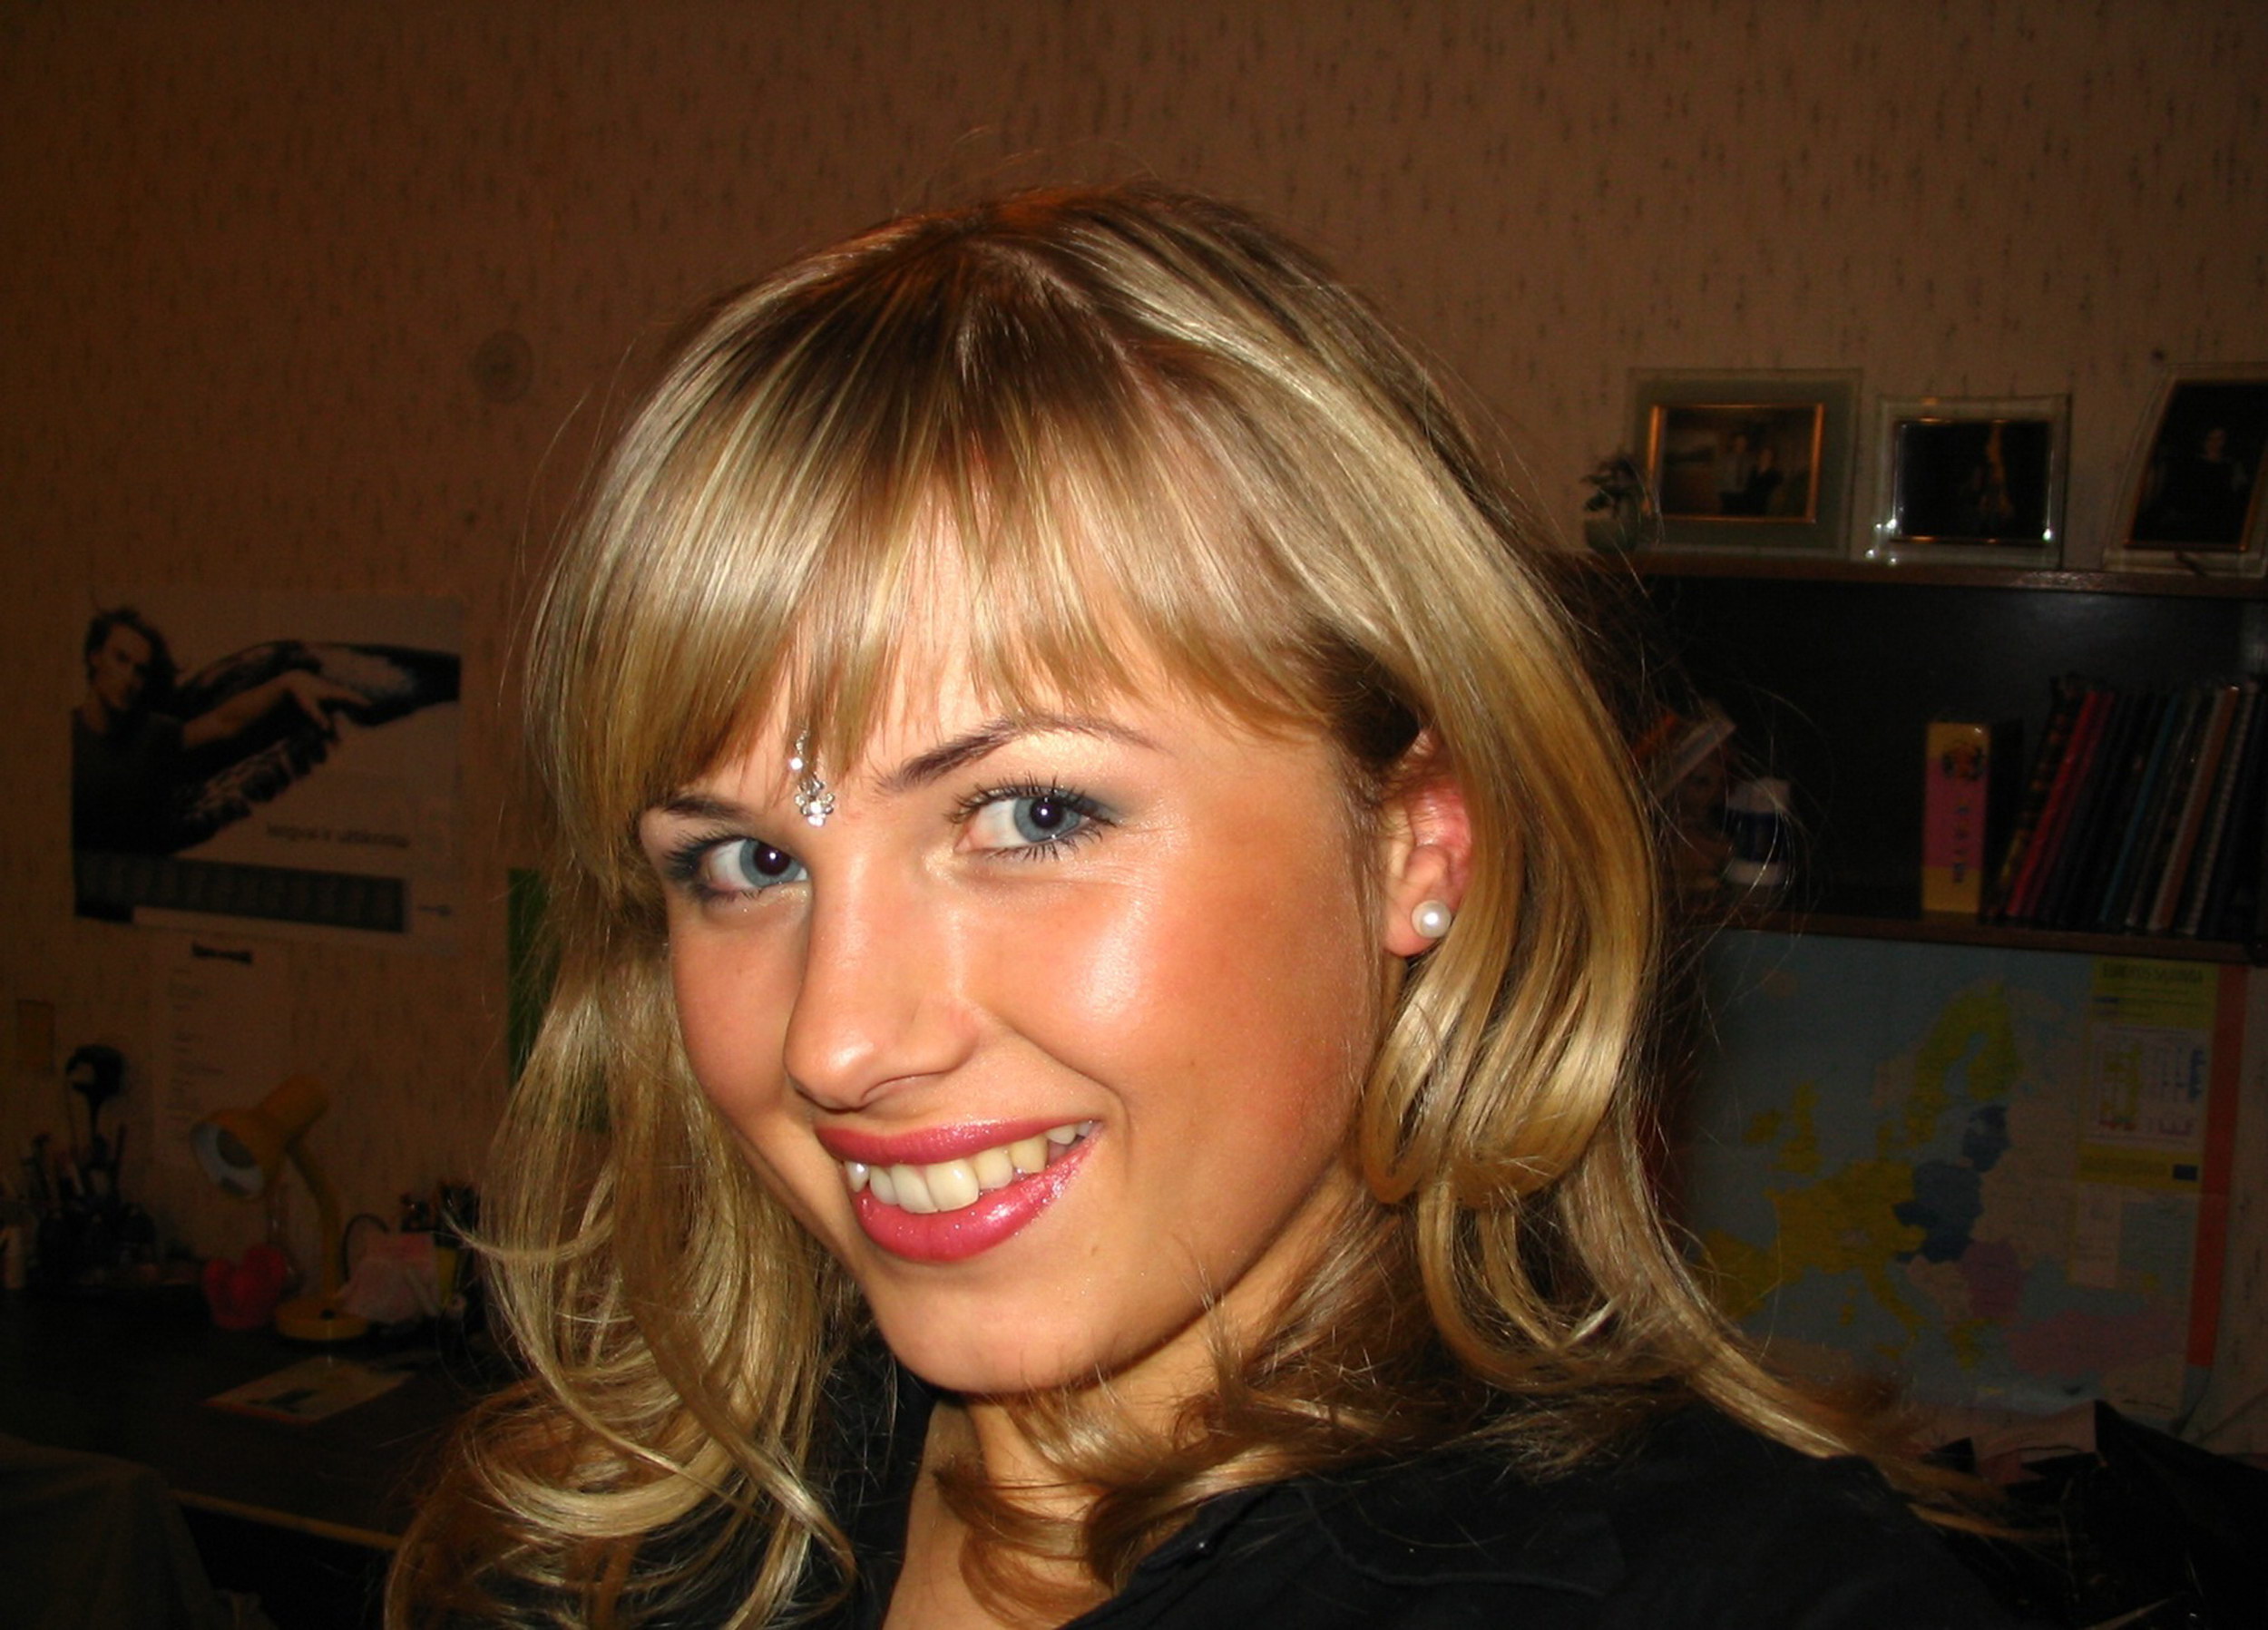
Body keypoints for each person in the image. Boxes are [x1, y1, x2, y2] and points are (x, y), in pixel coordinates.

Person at [392, 187, 2019, 1628]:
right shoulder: (609, 1554)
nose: (837, 1040)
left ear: (1417, 842)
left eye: (1031, 813)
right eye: (745, 863)